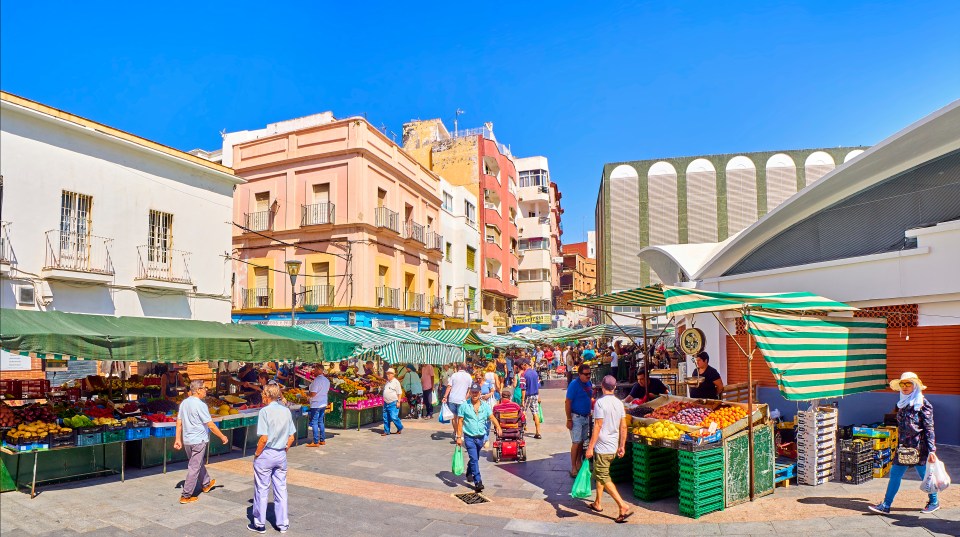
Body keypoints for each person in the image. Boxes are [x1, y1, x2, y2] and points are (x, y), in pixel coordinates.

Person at [869, 372, 940, 515]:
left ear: (915, 386)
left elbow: (929, 427)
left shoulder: (923, 404)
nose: (905, 387)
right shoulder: (901, 404)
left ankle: (934, 501)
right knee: (895, 473)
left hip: (919, 447)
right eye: (902, 384)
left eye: (909, 384)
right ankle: (886, 505)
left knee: (925, 475)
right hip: (903, 446)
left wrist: (932, 450)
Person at [249, 383, 297, 534]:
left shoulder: (265, 411)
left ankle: (259, 523)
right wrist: (284, 449)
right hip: (280, 453)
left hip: (266, 453)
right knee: (281, 489)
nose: (262, 396)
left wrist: (257, 454)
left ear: (268, 395)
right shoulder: (286, 411)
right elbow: (292, 437)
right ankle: (282, 524)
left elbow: (264, 437)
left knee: (262, 489)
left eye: (263, 394)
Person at [584, 375, 632, 523]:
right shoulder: (619, 404)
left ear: (602, 387)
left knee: (603, 475)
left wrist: (590, 447)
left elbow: (597, 426)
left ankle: (622, 505)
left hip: (602, 446)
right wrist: (622, 445)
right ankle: (598, 503)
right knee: (601, 473)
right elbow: (623, 426)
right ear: (615, 387)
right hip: (613, 446)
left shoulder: (600, 403)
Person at [174, 380, 229, 504]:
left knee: (196, 462)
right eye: (204, 388)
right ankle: (186, 495)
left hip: (187, 440)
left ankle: (206, 483)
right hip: (198, 440)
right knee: (194, 466)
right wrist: (222, 436)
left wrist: (178, 439)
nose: (206, 390)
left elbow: (179, 422)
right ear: (198, 390)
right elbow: (210, 424)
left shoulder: (184, 403)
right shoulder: (201, 405)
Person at [456, 382, 502, 493]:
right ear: (470, 392)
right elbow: (460, 421)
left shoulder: (485, 406)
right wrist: (458, 436)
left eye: (477, 392)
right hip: (469, 437)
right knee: (475, 459)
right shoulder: (464, 406)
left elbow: (491, 417)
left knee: (474, 458)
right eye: (473, 392)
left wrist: (498, 426)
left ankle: (469, 472)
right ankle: (478, 482)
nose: (475, 394)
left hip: (480, 437)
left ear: (480, 392)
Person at [565, 364, 594, 477]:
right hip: (576, 417)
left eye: (589, 374)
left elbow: (589, 397)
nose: (588, 376)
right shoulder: (574, 385)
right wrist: (569, 419)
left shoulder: (589, 383)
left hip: (586, 416)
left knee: (582, 441)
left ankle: (578, 463)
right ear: (580, 374)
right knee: (576, 442)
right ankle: (573, 467)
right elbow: (567, 402)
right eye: (586, 374)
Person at [443, 363, 472, 437]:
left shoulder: (454, 375)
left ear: (459, 368)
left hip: (452, 399)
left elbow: (449, 387)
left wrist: (445, 397)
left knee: (454, 418)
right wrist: (466, 398)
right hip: (462, 400)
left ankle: (456, 432)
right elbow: (470, 389)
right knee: (461, 418)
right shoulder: (468, 376)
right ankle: (459, 434)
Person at [306, 365, 330, 447]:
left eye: (315, 370)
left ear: (320, 370)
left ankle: (316, 441)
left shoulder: (317, 381)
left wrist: (307, 395)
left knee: (314, 423)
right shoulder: (326, 380)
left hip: (316, 404)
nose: (314, 371)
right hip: (323, 403)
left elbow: (313, 393)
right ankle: (322, 440)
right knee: (321, 422)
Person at [519, 360, 543, 439]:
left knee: (523, 411)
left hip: (527, 395)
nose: (521, 367)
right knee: (535, 413)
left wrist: (522, 400)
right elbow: (538, 385)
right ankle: (538, 432)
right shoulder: (535, 373)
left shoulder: (524, 374)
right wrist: (538, 396)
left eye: (522, 365)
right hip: (535, 395)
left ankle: (522, 429)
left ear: (525, 365)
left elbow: (523, 388)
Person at [380, 368, 404, 436]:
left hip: (393, 402)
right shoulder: (387, 382)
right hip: (386, 402)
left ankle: (400, 427)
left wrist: (398, 401)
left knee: (394, 417)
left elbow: (399, 393)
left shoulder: (396, 382)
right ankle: (386, 431)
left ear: (393, 375)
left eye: (389, 374)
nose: (387, 375)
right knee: (386, 417)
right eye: (387, 374)